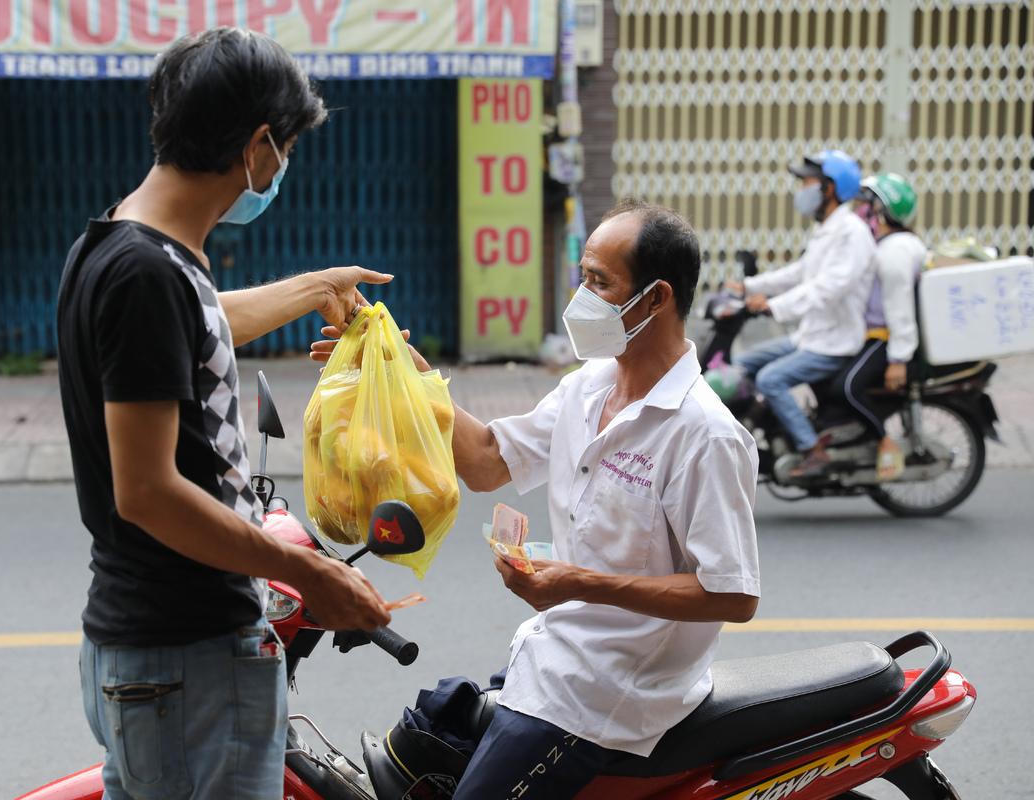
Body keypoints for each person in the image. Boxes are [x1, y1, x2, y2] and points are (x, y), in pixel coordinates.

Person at [316, 201, 761, 798]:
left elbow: (732, 594)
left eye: (600, 283)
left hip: (611, 698)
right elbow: (486, 462)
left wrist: (576, 583)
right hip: (552, 659)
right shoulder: (589, 386)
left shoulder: (703, 434)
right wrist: (395, 366)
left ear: (656, 299)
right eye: (583, 276)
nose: (582, 297)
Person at [56, 28, 392, 800]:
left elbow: (201, 323)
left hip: (156, 653)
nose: (282, 170)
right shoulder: (146, 273)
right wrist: (304, 569)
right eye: (288, 148)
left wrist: (315, 288)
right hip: (188, 652)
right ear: (261, 145)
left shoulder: (126, 244)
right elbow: (146, 492)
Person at [729, 150, 877, 478]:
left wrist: (773, 306)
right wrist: (749, 286)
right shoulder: (828, 230)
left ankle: (812, 449)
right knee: (746, 363)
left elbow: (827, 288)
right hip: (810, 335)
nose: (802, 190)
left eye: (808, 182)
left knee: (771, 378)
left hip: (834, 342)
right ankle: (766, 424)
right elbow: (800, 273)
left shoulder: (852, 234)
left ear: (829, 188)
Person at [839, 173, 926, 480]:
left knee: (847, 387)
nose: (859, 208)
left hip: (885, 338)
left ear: (882, 211)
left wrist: (898, 360)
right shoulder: (884, 244)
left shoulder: (896, 251)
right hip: (870, 334)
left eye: (866, 203)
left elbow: (900, 309)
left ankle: (883, 440)